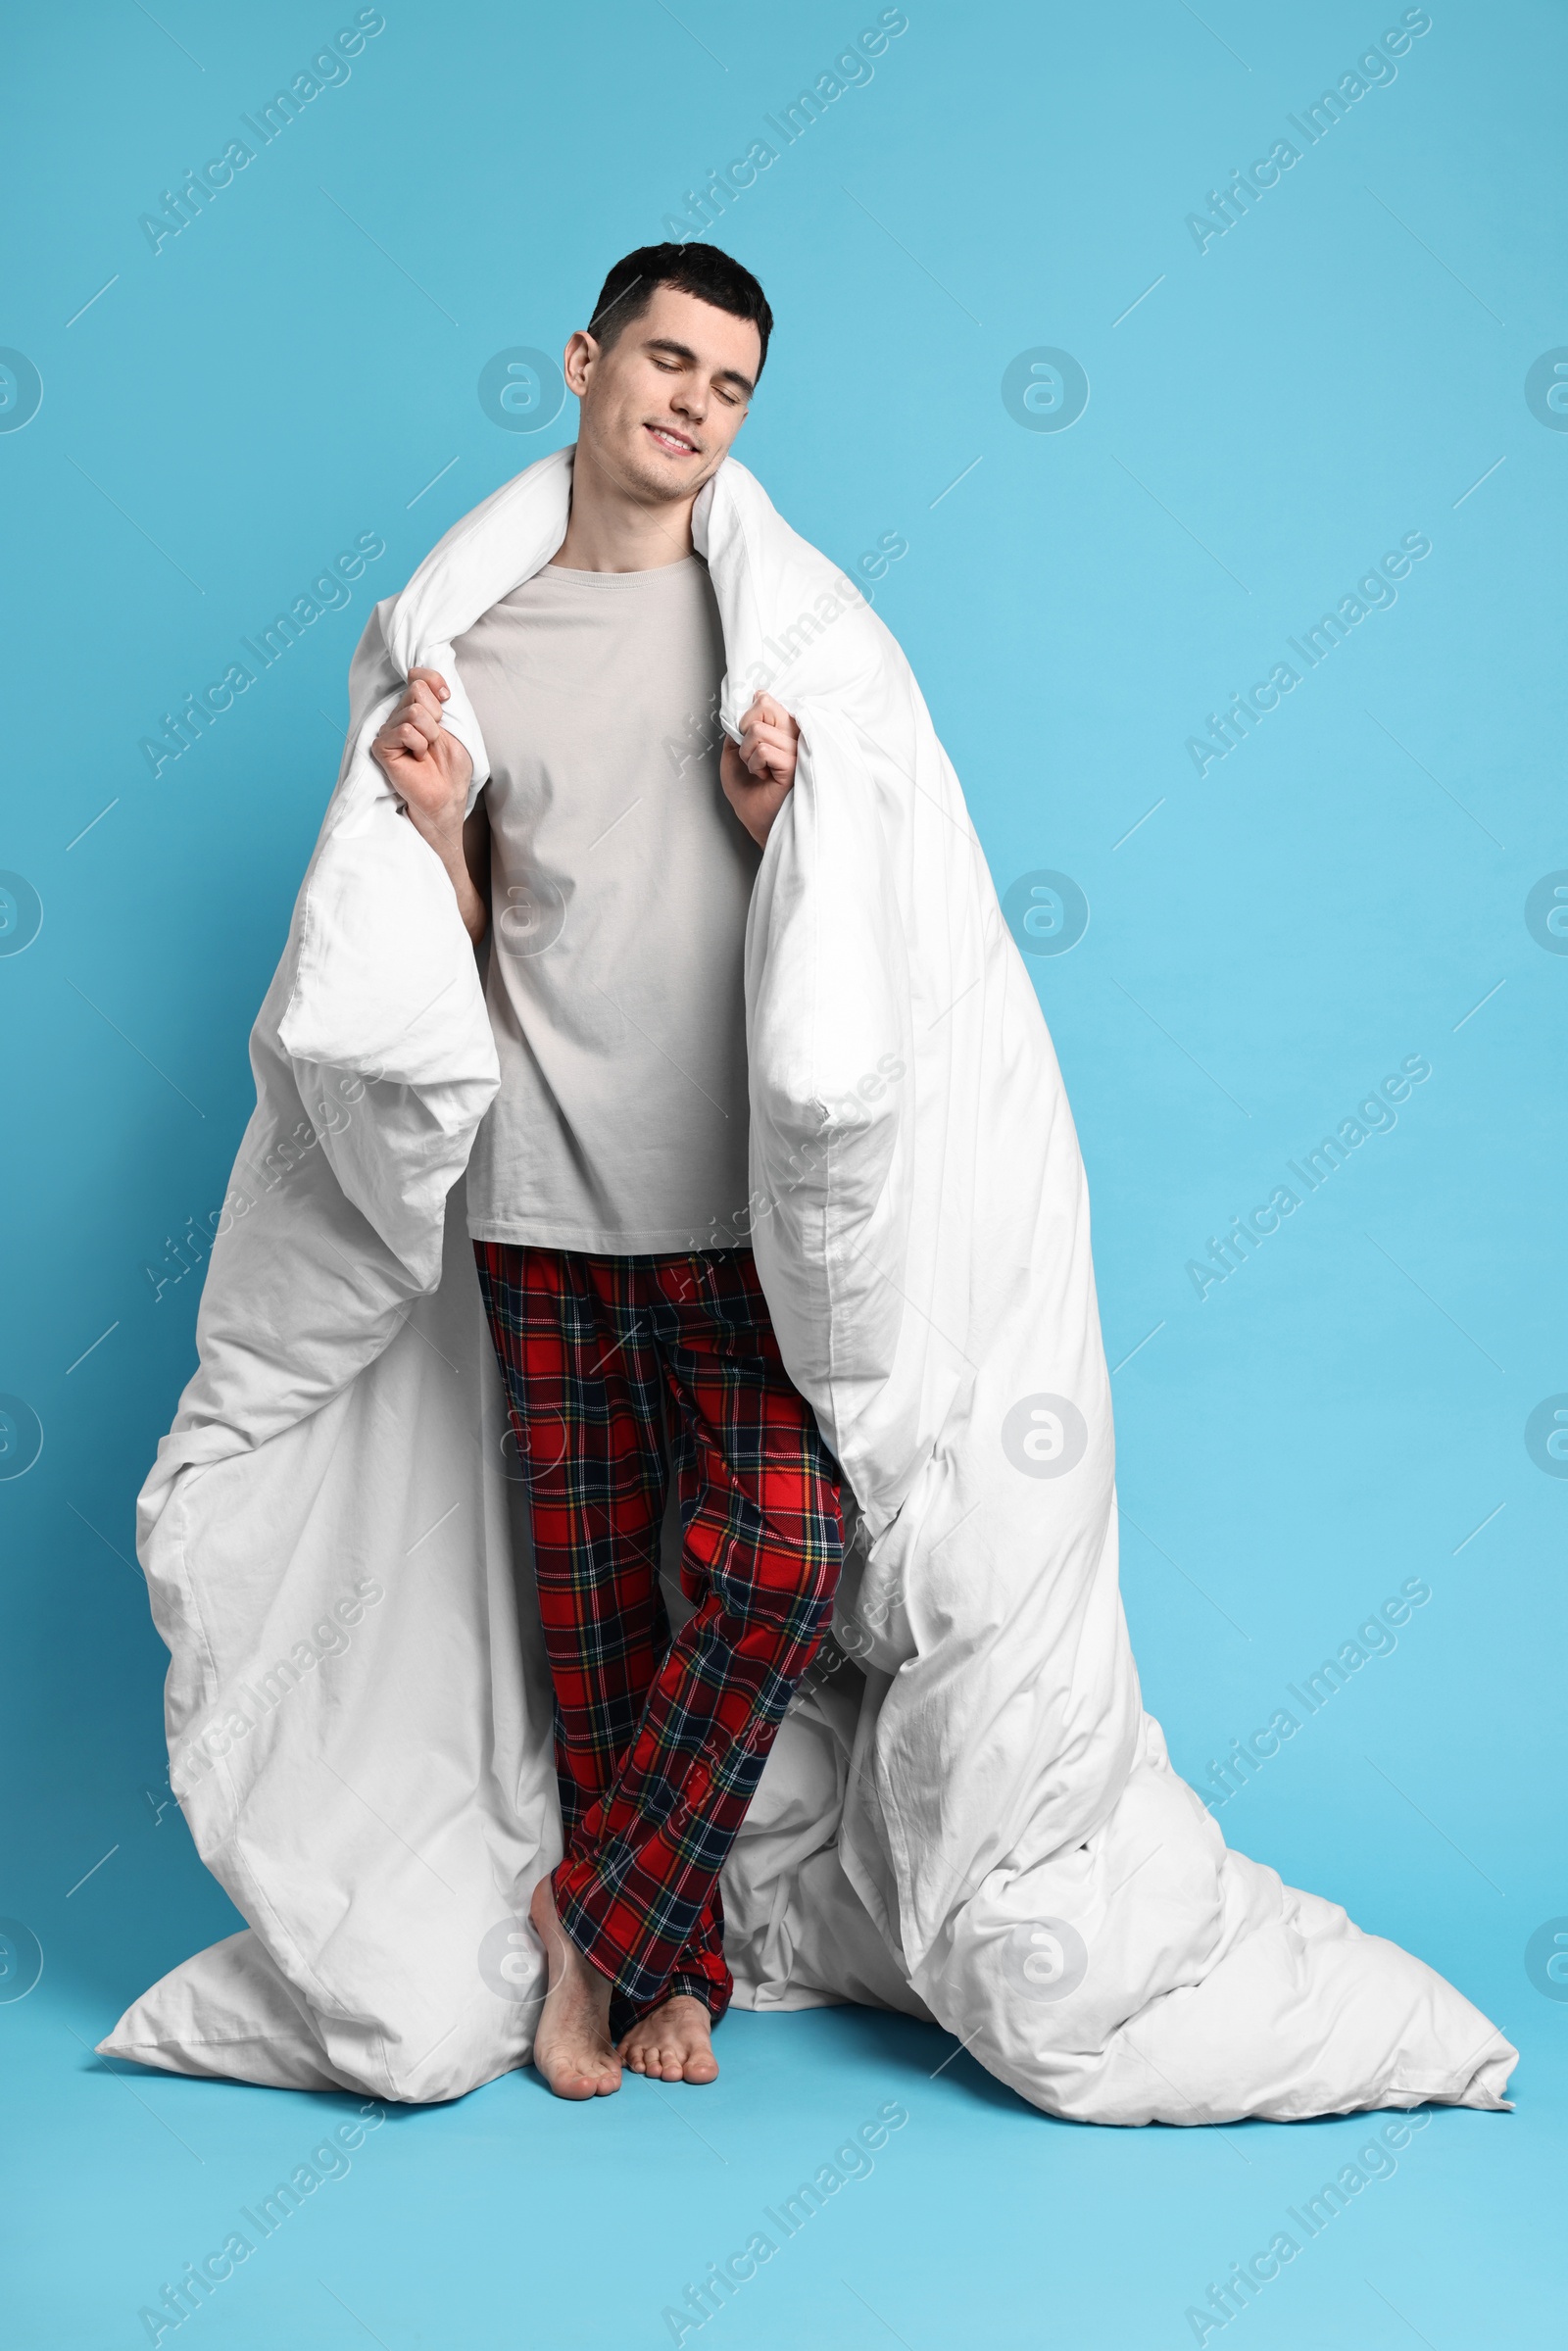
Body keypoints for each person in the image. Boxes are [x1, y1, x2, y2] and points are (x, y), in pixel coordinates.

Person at [368, 245, 841, 2101]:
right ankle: (670, 1970)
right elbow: (473, 948)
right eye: (666, 361)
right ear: (584, 360)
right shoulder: (473, 638)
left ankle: (604, 1925)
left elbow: (857, 912)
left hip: (740, 1218)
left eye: (727, 388)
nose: (691, 407)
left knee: (780, 1562)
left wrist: (780, 832)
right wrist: (431, 836)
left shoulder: (777, 633)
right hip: (542, 1200)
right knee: (600, 1623)